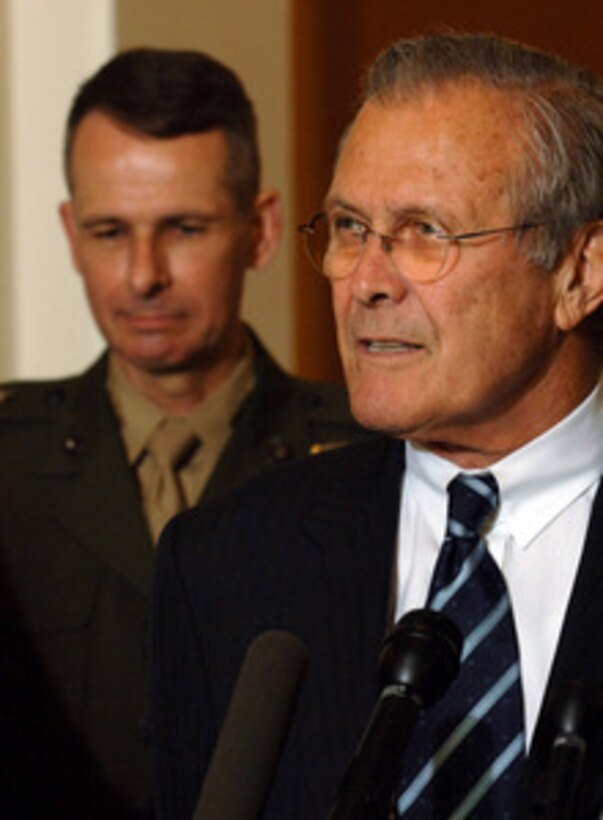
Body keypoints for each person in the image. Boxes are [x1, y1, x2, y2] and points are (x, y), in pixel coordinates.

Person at [151, 32, 603, 820]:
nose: (365, 281)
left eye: (425, 232)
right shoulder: (224, 566)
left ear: (578, 272)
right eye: (350, 229)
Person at [0, 48, 367, 819]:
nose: (142, 275)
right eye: (108, 231)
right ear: (69, 233)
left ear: (260, 230)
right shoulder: (8, 460)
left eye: (184, 228)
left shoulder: (368, 457)